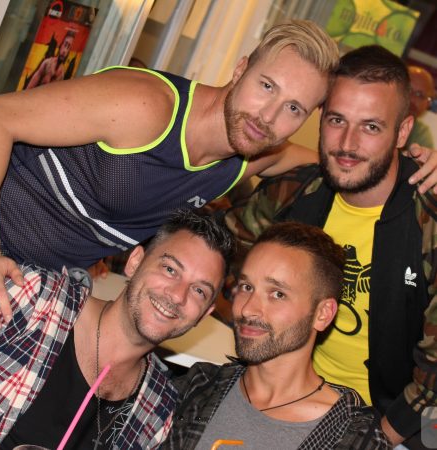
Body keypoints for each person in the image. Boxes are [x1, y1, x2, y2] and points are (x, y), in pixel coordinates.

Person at [0, 20, 341, 330]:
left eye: (293, 108)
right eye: (266, 86)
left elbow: (340, 165)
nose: (268, 116)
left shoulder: (253, 157)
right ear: (240, 69)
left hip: (31, 289)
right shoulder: (146, 106)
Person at [223, 45, 437, 447]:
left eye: (371, 127)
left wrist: (372, 440)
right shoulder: (294, 193)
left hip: (399, 424)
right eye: (337, 120)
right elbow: (224, 253)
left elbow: (434, 379)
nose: (347, 144)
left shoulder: (429, 222)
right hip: (286, 399)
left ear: (402, 132)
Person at [0, 209, 234, 449]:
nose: (178, 296)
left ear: (205, 314)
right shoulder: (34, 300)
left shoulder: (157, 412)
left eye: (199, 291)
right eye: (170, 269)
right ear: (135, 262)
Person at [162, 222, 390, 449]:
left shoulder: (355, 438)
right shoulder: (199, 385)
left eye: (277, 294)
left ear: (322, 314)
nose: (247, 309)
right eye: (246, 287)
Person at [405, 65, 435, 150]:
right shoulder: (376, 113)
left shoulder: (421, 133)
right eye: (409, 89)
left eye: (419, 95)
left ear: (428, 103)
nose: (412, 99)